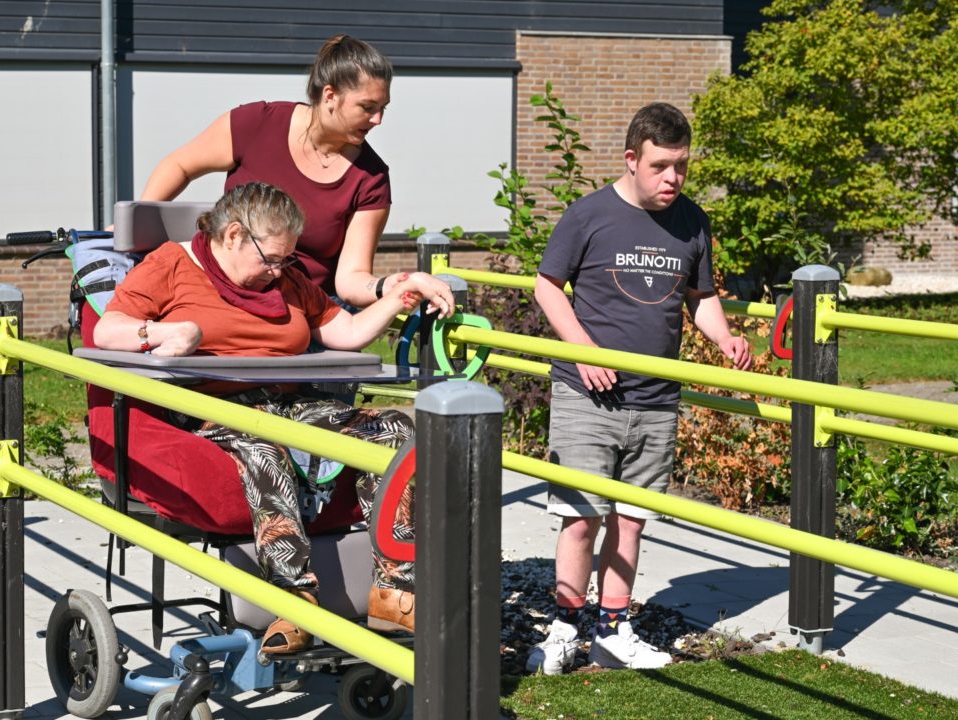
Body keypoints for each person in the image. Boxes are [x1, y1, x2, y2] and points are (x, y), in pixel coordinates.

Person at [95, 182, 453, 653]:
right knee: (266, 448)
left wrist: (398, 295)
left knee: (396, 429)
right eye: (271, 259)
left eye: (286, 260)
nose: (279, 270)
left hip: (289, 403)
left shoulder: (286, 278)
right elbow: (107, 329)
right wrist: (166, 332)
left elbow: (342, 330)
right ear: (234, 235)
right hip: (213, 410)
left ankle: (395, 591)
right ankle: (294, 598)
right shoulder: (171, 263)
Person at [527, 103, 754, 673]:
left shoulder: (693, 221)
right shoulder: (589, 215)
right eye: (661, 166)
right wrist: (584, 351)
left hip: (657, 400)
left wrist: (725, 338)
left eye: (681, 166)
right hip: (588, 396)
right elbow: (548, 287)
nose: (673, 179)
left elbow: (699, 298)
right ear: (632, 159)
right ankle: (562, 630)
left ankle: (613, 631)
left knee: (630, 520)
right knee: (581, 517)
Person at [139, 33, 453, 310]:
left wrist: (391, 285)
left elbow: (351, 279)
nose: (378, 119)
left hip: (304, 308)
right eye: (367, 107)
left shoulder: (371, 178)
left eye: (383, 108)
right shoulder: (255, 123)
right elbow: (178, 166)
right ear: (330, 96)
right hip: (225, 291)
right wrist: (136, 230)